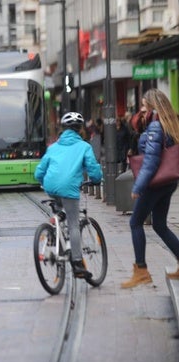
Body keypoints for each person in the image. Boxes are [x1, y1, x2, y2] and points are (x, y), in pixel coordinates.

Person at [34, 112, 103, 279]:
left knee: (59, 206)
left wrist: (45, 181)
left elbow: (38, 172)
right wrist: (96, 180)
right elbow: (94, 170)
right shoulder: (84, 146)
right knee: (73, 224)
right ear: (80, 130)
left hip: (51, 186)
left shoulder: (53, 147)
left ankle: (53, 232)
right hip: (69, 188)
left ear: (63, 129)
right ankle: (78, 263)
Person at [121, 89, 179, 288]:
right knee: (160, 225)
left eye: (144, 106)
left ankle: (141, 270)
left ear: (154, 106)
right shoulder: (169, 124)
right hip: (168, 181)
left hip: (155, 183)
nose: (141, 110)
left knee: (135, 222)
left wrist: (138, 186)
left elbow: (151, 162)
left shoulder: (155, 127)